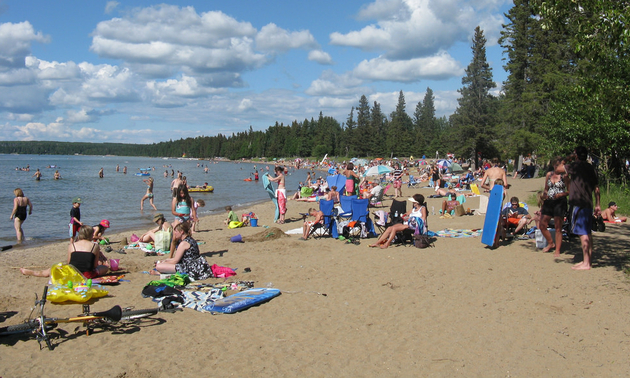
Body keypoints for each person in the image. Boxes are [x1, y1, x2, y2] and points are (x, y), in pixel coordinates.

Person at [21, 225, 109, 278]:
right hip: (87, 275)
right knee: (104, 268)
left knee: (52, 269)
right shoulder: (95, 246)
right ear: (90, 235)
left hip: (72, 273)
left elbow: (69, 263)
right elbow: (94, 265)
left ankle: (32, 272)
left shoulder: (72, 245)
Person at [566, 146, 600, 270]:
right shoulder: (591, 168)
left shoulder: (575, 166)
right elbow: (596, 188)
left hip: (578, 204)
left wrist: (568, 157)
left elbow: (558, 166)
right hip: (588, 203)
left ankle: (586, 263)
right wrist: (598, 204)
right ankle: (587, 260)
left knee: (582, 233)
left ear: (576, 155)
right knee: (588, 232)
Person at [539, 157, 571, 256]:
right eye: (555, 165)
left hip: (560, 202)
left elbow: (569, 191)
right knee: (542, 225)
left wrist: (561, 194)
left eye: (559, 165)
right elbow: (546, 188)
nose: (557, 167)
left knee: (558, 227)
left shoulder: (564, 176)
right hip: (549, 201)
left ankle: (557, 249)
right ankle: (550, 243)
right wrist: (544, 195)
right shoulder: (549, 175)